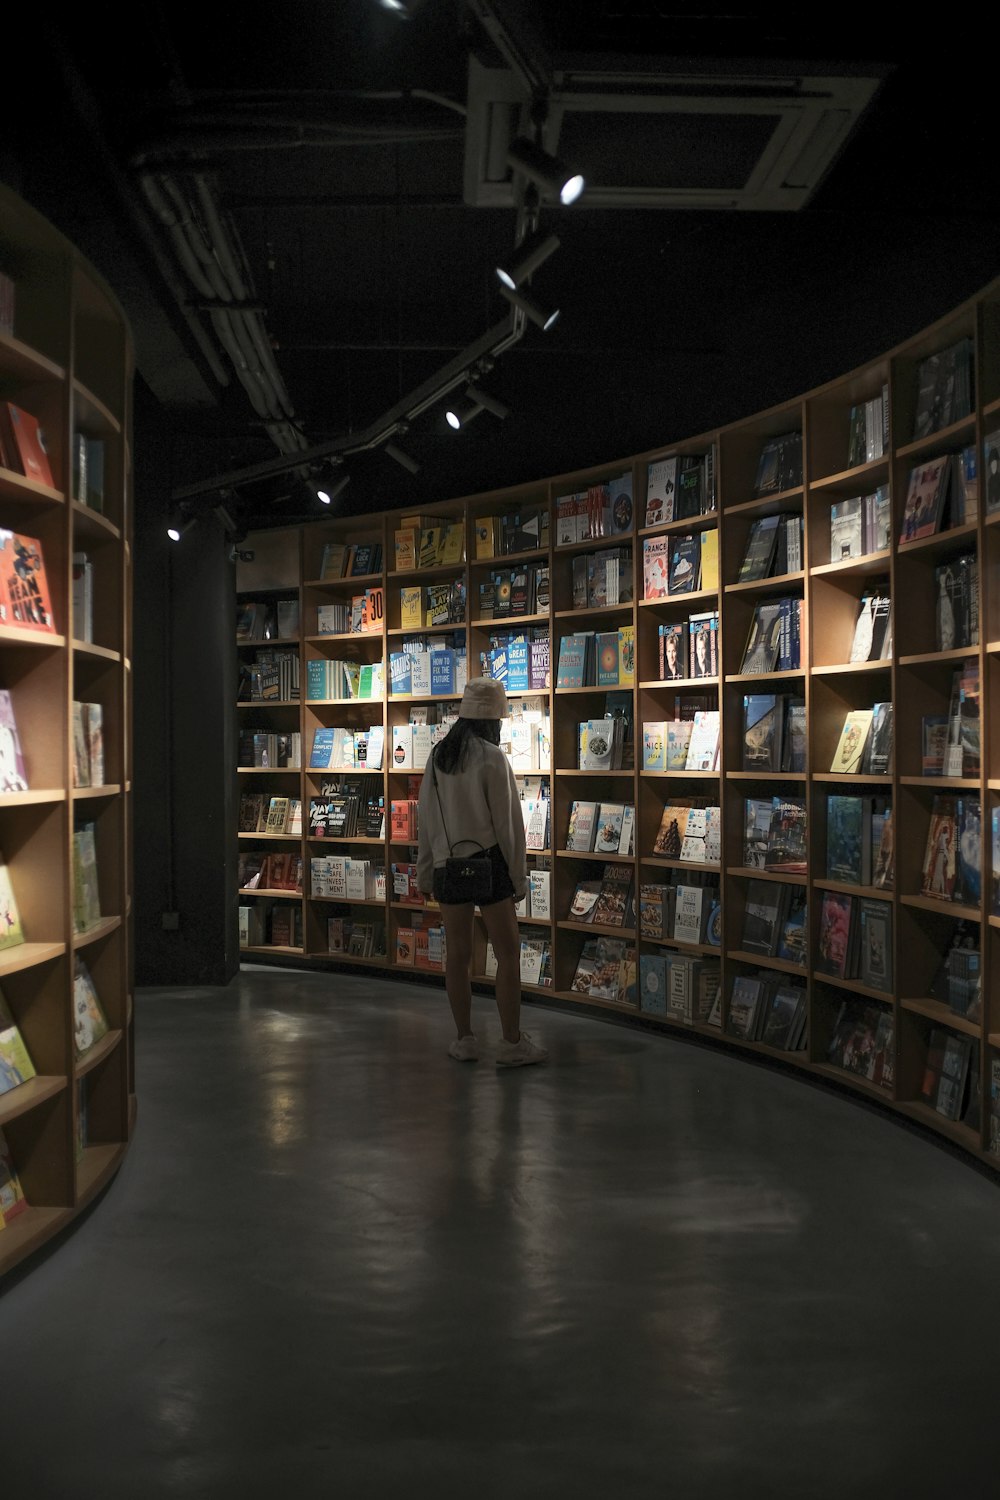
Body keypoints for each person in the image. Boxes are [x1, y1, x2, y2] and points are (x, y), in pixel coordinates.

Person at [416, 676, 547, 1068]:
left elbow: (426, 821)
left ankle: (465, 1039)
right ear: (494, 719)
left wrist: (426, 873)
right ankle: (511, 1043)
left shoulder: (438, 757)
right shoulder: (493, 758)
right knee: (507, 953)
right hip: (490, 864)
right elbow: (508, 826)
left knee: (456, 956)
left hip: (447, 866)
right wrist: (519, 877)